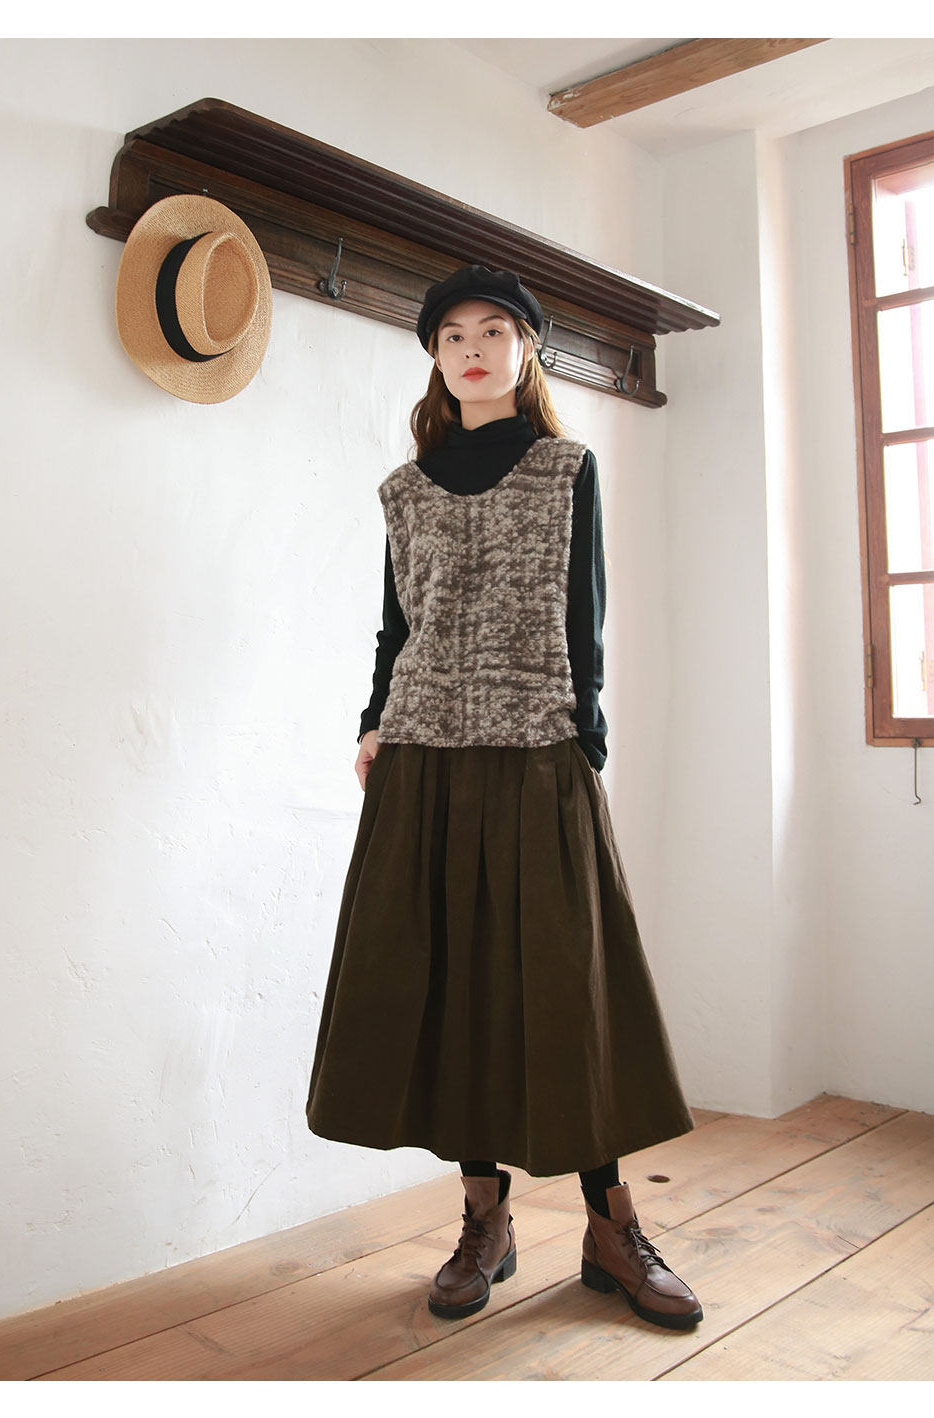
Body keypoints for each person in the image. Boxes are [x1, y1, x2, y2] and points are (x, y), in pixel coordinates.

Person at [306, 265, 702, 1332]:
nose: (473, 349)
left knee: (567, 986)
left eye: (493, 331)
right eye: (453, 336)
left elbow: (586, 615)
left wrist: (586, 738)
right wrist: (373, 721)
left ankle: (612, 1226)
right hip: (424, 754)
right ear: (435, 358)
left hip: (537, 749)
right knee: (452, 980)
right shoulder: (404, 489)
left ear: (527, 349)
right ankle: (485, 1218)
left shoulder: (567, 469)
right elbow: (397, 623)